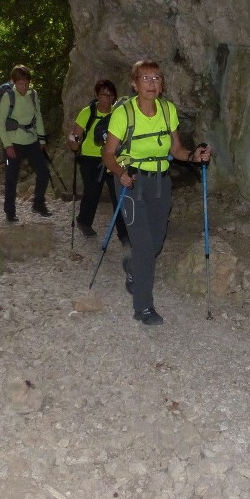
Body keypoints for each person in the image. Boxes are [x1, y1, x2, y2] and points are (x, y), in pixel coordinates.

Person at [102, 59, 211, 325]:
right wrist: (120, 172)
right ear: (134, 83)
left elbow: (176, 150)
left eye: (157, 78)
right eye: (146, 78)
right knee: (144, 244)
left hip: (161, 182)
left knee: (156, 243)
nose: (152, 83)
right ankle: (143, 307)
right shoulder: (123, 114)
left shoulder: (167, 110)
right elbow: (108, 154)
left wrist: (195, 156)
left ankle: (132, 267)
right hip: (132, 182)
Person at [67, 79, 129, 244]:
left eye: (110, 95)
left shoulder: (118, 113)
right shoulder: (87, 112)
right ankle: (84, 222)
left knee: (118, 194)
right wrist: (74, 142)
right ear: (97, 95)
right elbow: (74, 133)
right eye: (103, 95)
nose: (107, 98)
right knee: (92, 191)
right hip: (90, 158)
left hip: (111, 157)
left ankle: (124, 234)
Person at [0, 64, 50, 223]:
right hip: (13, 142)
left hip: (31, 140)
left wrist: (42, 139)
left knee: (44, 172)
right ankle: (10, 212)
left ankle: (38, 203)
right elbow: (0, 122)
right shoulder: (8, 96)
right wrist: (7, 145)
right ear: (14, 82)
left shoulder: (33, 95)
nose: (24, 86)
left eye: (26, 83)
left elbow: (38, 117)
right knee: (11, 176)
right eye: (20, 83)